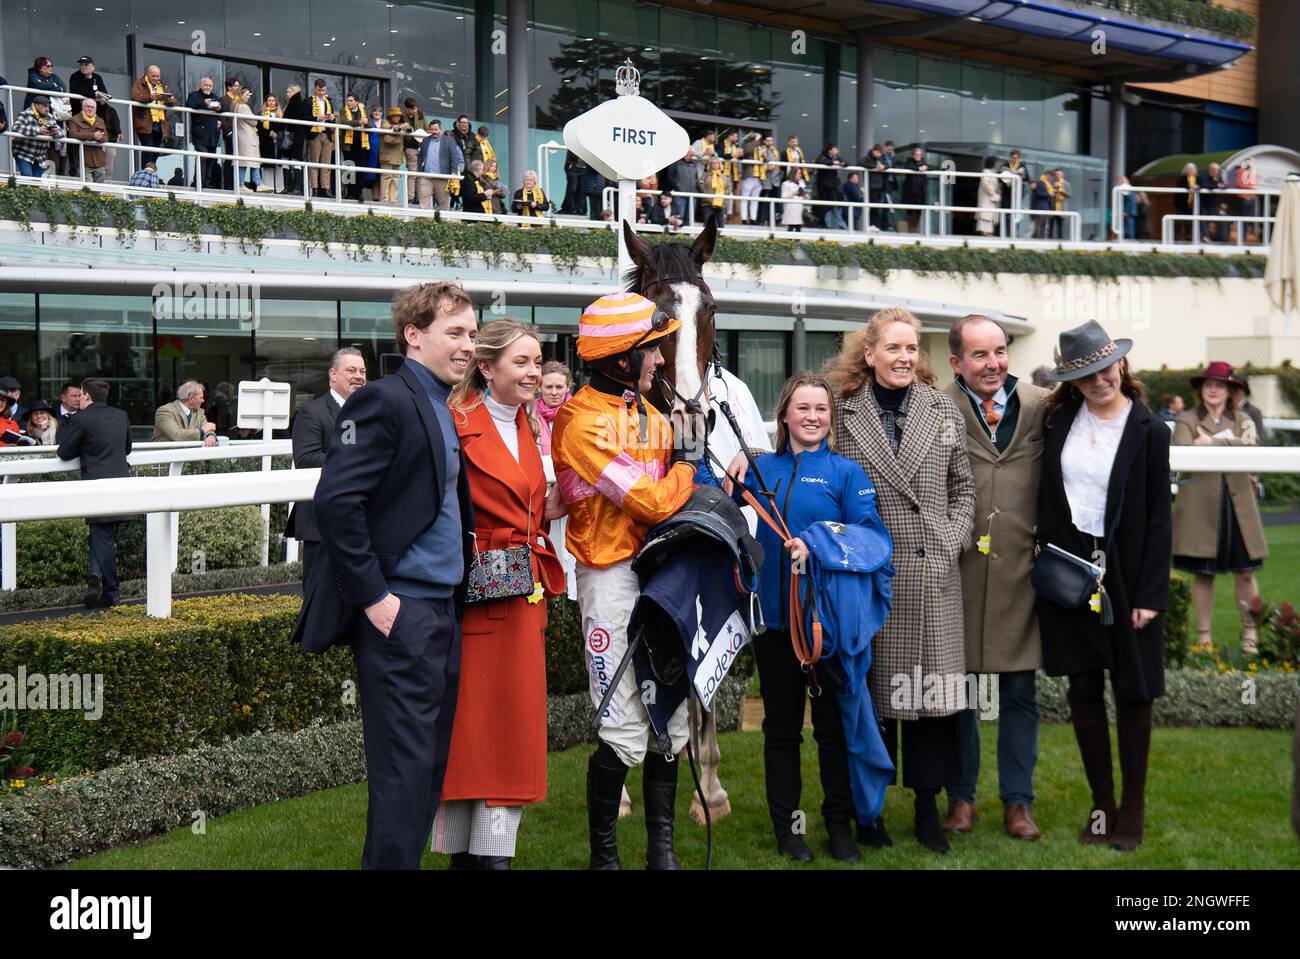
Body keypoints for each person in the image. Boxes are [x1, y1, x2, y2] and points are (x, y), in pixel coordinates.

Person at [290, 280, 477, 870]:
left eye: (472, 333)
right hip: (402, 617)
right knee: (403, 777)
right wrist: (376, 599)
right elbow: (337, 501)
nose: (468, 345)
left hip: (440, 612)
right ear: (413, 336)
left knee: (424, 773)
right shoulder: (387, 400)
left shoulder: (440, 403)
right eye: (455, 333)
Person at [550, 291, 702, 870]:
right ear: (619, 359)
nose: (661, 361)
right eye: (651, 351)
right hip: (610, 576)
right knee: (622, 724)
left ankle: (660, 852)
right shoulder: (580, 421)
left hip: (660, 573)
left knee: (671, 711)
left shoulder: (651, 413)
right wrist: (687, 462)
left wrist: (696, 456)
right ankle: (604, 859)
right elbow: (650, 501)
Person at [826, 306, 976, 854]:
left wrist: (949, 541)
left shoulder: (942, 410)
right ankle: (870, 811)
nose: (904, 357)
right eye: (893, 348)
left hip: (932, 572)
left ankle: (928, 807)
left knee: (932, 702)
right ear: (869, 355)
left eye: (912, 348)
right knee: (876, 700)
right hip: (873, 578)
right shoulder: (844, 412)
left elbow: (964, 488)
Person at [721, 371, 878, 863]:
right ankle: (789, 829)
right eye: (803, 408)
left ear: (831, 418)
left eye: (822, 409)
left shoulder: (846, 474)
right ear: (784, 414)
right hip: (775, 623)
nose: (813, 417)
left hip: (827, 625)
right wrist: (734, 463)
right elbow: (704, 484)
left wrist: (819, 542)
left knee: (833, 728)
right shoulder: (761, 468)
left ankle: (839, 825)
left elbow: (871, 538)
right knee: (782, 729)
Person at [432, 320, 567, 870]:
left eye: (538, 362)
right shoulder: (455, 422)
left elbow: (527, 503)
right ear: (486, 368)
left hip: (520, 596)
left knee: (509, 738)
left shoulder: (532, 426)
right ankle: (477, 858)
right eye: (522, 362)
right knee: (475, 740)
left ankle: (494, 858)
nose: (535, 372)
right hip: (478, 598)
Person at [1037, 320, 1171, 852]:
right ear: (1073, 382)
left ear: (1121, 365)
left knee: (1135, 693)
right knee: (1084, 689)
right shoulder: (1057, 420)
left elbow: (1161, 516)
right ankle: (1102, 806)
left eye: (1104, 368)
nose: (1099, 381)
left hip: (1129, 571)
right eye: (1086, 375)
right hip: (1070, 569)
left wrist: (1149, 596)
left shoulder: (1149, 429)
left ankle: (1133, 808)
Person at [941, 315, 1050, 841]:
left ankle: (1018, 803)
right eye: (980, 356)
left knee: (1020, 692)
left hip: (1022, 574)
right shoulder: (937, 408)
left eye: (1000, 352)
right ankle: (961, 798)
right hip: (957, 570)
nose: (993, 364)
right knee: (958, 692)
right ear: (956, 362)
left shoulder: (1040, 406)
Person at [1171, 362, 1266, 655]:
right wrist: (1229, 443)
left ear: (1230, 390)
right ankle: (1204, 637)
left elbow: (1251, 447)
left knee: (1246, 572)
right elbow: (1183, 451)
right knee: (1204, 574)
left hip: (1239, 505)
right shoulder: (1186, 418)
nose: (1213, 390)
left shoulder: (1243, 418)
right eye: (1208, 385)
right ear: (1201, 389)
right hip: (1200, 506)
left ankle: (1250, 631)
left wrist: (1212, 441)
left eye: (1220, 385)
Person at [285, 348, 368, 588]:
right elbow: (306, 459)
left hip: (361, 518)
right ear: (333, 375)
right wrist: (358, 461)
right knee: (319, 598)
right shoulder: (311, 413)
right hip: (321, 523)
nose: (359, 376)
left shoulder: (369, 411)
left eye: (362, 371)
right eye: (351, 370)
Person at [55, 379, 132, 609]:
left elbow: (64, 452)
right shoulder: (120, 415)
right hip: (121, 485)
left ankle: (112, 593)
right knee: (102, 540)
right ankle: (102, 585)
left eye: (80, 395)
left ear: (87, 396)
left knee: (102, 540)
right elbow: (127, 448)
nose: (78, 399)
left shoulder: (82, 418)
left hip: (96, 487)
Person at [130, 64, 175, 168]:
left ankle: (150, 174)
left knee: (155, 151)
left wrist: (170, 100)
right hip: (144, 122)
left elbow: (172, 100)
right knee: (149, 149)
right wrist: (150, 97)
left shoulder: (162, 86)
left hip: (160, 124)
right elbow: (135, 97)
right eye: (153, 76)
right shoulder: (139, 83)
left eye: (157, 76)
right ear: (147, 74)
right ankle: (144, 173)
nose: (155, 78)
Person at [185, 78, 224, 190]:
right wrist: (203, 103)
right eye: (206, 85)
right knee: (203, 156)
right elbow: (188, 105)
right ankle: (198, 182)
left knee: (211, 159)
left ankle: (206, 183)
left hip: (213, 135)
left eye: (210, 86)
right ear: (201, 85)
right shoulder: (194, 95)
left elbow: (224, 109)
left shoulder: (215, 97)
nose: (208, 87)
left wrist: (219, 108)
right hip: (200, 134)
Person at [416, 119, 463, 211]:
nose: (433, 132)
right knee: (424, 199)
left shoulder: (449, 141)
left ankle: (444, 222)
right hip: (426, 176)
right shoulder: (425, 141)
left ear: (440, 129)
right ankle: (424, 221)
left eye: (436, 129)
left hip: (442, 176)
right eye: (431, 130)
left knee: (443, 201)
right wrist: (419, 171)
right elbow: (420, 156)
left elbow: (454, 158)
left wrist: (453, 172)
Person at [152, 381, 218, 444]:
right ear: (191, 398)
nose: (203, 401)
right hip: (165, 454)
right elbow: (176, 435)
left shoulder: (199, 412)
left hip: (189, 454)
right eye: (201, 397)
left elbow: (207, 429)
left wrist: (210, 436)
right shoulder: (165, 411)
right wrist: (201, 432)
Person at [11, 96, 61, 178]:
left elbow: (61, 133)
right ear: (36, 106)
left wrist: (55, 132)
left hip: (39, 157)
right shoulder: (25, 114)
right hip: (23, 153)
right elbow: (15, 128)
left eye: (48, 106)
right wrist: (37, 130)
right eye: (44, 106)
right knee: (27, 177)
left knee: (36, 183)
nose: (47, 109)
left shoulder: (49, 117)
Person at [65, 98, 110, 183]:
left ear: (95, 109)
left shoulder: (100, 120)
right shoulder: (74, 119)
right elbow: (73, 134)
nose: (90, 109)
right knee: (88, 190)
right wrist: (92, 135)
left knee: (98, 191)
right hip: (84, 161)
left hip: (99, 161)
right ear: (83, 107)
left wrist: (100, 137)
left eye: (92, 107)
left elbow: (106, 137)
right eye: (87, 106)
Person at [306, 79, 337, 197]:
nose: (322, 93)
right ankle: (314, 188)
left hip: (327, 134)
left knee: (326, 163)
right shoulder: (309, 101)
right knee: (314, 162)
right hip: (315, 134)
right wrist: (318, 118)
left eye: (323, 90)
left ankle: (326, 188)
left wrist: (332, 117)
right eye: (319, 90)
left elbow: (332, 117)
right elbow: (305, 117)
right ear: (315, 89)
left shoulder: (328, 101)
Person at [232, 88, 264, 193]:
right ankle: (251, 184)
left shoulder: (235, 106)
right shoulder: (243, 107)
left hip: (242, 136)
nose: (249, 96)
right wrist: (258, 118)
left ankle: (257, 183)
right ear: (241, 95)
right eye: (247, 94)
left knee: (245, 162)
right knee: (248, 161)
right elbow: (253, 122)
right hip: (247, 137)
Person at [280, 84, 310, 195]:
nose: (287, 94)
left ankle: (295, 187)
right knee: (288, 160)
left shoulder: (295, 103)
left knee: (294, 160)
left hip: (294, 137)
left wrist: (276, 127)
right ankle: (290, 187)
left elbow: (288, 119)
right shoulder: (294, 103)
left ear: (294, 92)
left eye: (289, 92)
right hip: (293, 136)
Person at [340, 92, 370, 202]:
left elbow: (370, 125)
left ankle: (359, 193)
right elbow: (343, 122)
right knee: (349, 169)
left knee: (359, 169)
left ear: (357, 102)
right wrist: (359, 122)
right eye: (348, 100)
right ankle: (349, 193)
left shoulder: (363, 110)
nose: (349, 103)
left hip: (361, 144)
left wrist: (365, 123)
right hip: (348, 145)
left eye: (351, 101)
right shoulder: (344, 110)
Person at [375, 107, 405, 204]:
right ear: (390, 116)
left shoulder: (399, 125)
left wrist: (407, 128)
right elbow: (388, 136)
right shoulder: (385, 123)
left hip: (397, 156)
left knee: (395, 179)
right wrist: (400, 129)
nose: (397, 118)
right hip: (387, 156)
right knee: (386, 178)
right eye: (395, 116)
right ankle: (384, 200)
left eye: (399, 116)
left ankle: (393, 201)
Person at [257, 94, 286, 194]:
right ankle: (269, 188)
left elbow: (283, 127)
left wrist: (278, 135)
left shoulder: (280, 114)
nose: (271, 102)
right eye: (269, 100)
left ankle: (280, 189)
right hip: (266, 142)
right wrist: (270, 133)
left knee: (278, 166)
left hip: (278, 142)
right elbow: (259, 128)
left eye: (273, 100)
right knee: (268, 165)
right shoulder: (261, 114)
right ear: (266, 102)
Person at [814, 144, 847, 230]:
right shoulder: (822, 156)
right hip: (822, 184)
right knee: (824, 203)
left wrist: (842, 164)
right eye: (835, 149)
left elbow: (846, 163)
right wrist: (832, 163)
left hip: (832, 185)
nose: (837, 151)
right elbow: (821, 162)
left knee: (832, 203)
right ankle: (821, 222)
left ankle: (817, 218)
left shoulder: (837, 158)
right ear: (830, 150)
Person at [900, 146, 930, 234]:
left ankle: (915, 229)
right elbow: (907, 166)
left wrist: (925, 167)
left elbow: (930, 167)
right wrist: (918, 169)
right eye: (917, 155)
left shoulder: (923, 162)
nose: (918, 156)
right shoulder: (909, 161)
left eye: (920, 155)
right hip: (910, 192)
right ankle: (910, 230)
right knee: (909, 211)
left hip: (921, 192)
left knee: (918, 212)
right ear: (913, 155)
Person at [698, 156, 731, 233]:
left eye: (717, 163)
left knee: (720, 224)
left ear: (720, 164)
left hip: (720, 203)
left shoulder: (724, 177)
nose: (715, 164)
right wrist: (710, 199)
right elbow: (701, 186)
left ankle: (721, 239)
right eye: (713, 163)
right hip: (707, 203)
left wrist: (722, 195)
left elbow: (729, 187)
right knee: (707, 223)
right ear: (710, 164)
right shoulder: (705, 175)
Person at [758, 134, 783, 228]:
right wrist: (766, 168)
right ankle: (762, 220)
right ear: (764, 141)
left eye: (771, 141)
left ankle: (770, 220)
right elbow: (758, 164)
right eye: (768, 140)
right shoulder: (760, 150)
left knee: (774, 201)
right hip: (765, 179)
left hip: (775, 179)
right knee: (764, 202)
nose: (769, 142)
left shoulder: (775, 151)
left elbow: (778, 165)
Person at [975, 156, 1002, 237]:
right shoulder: (985, 171)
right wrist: (993, 193)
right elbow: (986, 185)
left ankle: (988, 233)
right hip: (987, 198)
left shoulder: (992, 173)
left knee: (989, 217)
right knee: (985, 216)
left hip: (991, 199)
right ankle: (985, 233)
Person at [1176, 162, 1199, 243]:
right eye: (1189, 169)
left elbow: (1201, 185)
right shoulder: (1182, 178)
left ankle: (1189, 236)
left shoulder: (1197, 178)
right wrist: (1190, 186)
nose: (1191, 171)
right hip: (1182, 204)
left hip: (1192, 204)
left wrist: (1198, 186)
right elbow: (1181, 186)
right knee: (1179, 221)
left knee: (1189, 222)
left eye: (1192, 169)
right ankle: (1176, 237)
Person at [781, 168, 806, 233]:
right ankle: (789, 242)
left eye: (800, 173)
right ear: (793, 174)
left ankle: (797, 241)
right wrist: (793, 193)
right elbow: (783, 197)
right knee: (791, 226)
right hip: (791, 207)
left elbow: (804, 196)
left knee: (798, 226)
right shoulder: (786, 184)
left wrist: (805, 195)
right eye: (798, 173)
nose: (800, 175)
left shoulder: (802, 183)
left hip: (799, 207)